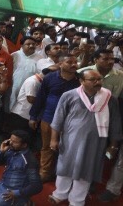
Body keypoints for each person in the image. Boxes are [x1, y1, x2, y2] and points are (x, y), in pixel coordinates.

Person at [48, 69, 122, 206]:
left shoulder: (109, 99)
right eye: (93, 80)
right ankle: (60, 194)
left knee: (86, 170)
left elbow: (115, 123)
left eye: (99, 79)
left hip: (96, 142)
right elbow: (58, 118)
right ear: (82, 81)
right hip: (70, 140)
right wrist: (54, 139)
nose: (98, 82)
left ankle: (77, 200)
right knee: (65, 167)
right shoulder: (69, 95)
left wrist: (113, 145)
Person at [28, 54, 79, 182]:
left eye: (75, 62)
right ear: (60, 64)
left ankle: (61, 174)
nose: (74, 64)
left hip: (71, 121)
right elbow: (41, 98)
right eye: (69, 62)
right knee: (47, 147)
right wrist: (33, 116)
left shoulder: (80, 81)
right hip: (48, 118)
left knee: (67, 149)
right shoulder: (50, 78)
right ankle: (44, 172)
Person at [85, 50, 123, 202]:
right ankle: (88, 180)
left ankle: (112, 189)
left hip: (110, 121)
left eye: (112, 59)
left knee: (119, 160)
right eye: (105, 58)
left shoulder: (120, 77)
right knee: (93, 152)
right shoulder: (84, 73)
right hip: (93, 122)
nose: (110, 61)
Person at [0, 130, 42, 206]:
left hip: (12, 191)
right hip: (2, 184)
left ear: (24, 145)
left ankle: (22, 201)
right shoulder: (10, 150)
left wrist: (17, 193)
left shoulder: (30, 161)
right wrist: (1, 151)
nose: (10, 143)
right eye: (10, 140)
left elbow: (37, 186)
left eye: (15, 142)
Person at [8, 37, 43, 113]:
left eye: (33, 44)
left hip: (29, 90)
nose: (31, 46)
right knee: (9, 107)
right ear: (22, 45)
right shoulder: (14, 55)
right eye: (28, 44)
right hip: (13, 86)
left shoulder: (40, 59)